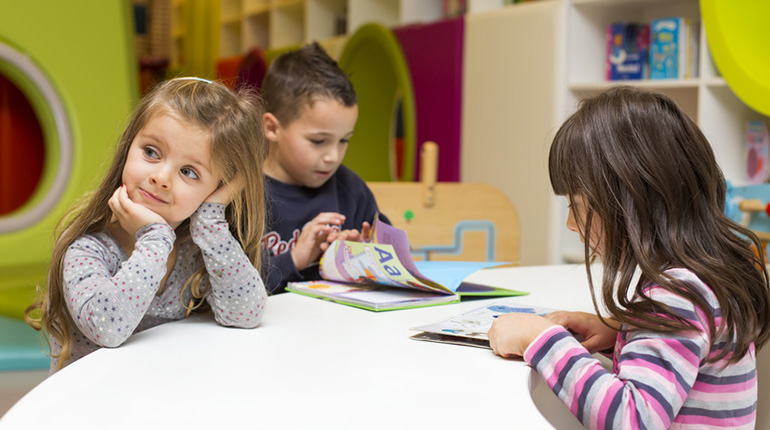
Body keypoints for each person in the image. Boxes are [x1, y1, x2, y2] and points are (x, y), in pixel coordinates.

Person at [488, 86, 770, 429]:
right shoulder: (704, 276)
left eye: (578, 208)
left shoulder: (677, 293)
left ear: (634, 203)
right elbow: (687, 358)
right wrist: (623, 332)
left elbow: (632, 419)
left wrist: (540, 340)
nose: (571, 224)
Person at [25, 77, 268, 372]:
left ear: (217, 188)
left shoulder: (197, 249)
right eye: (151, 152)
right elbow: (107, 329)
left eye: (189, 172)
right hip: (90, 405)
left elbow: (246, 313)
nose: (161, 177)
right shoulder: (88, 246)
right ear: (129, 146)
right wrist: (154, 239)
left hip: (161, 398)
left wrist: (211, 220)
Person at [259, 42, 388, 293]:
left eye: (344, 140)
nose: (333, 156)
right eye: (318, 141)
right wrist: (293, 260)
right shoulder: (238, 194)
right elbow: (223, 289)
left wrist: (363, 256)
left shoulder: (351, 190)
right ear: (273, 128)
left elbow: (393, 263)